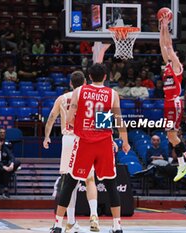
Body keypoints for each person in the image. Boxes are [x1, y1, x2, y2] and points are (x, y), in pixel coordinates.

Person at [50, 62, 130, 233]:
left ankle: (58, 225)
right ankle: (117, 227)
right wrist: (125, 141)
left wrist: (79, 121)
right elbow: (118, 120)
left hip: (84, 142)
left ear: (90, 77)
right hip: (104, 142)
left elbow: (71, 118)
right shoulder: (112, 94)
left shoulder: (80, 91)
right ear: (106, 77)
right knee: (110, 184)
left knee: (70, 183)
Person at [43, 71, 100, 232]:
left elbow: (51, 118)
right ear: (84, 82)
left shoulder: (62, 98)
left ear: (70, 83)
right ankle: (93, 215)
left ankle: (71, 221)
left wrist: (47, 137)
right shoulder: (89, 97)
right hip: (85, 138)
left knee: (69, 182)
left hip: (68, 138)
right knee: (89, 179)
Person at [159, 13, 186, 182]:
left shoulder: (177, 66)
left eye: (173, 53)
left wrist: (166, 24)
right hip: (168, 102)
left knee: (171, 135)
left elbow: (168, 45)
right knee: (170, 136)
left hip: (174, 102)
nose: (169, 52)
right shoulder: (168, 65)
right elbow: (163, 44)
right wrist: (161, 27)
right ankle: (182, 162)